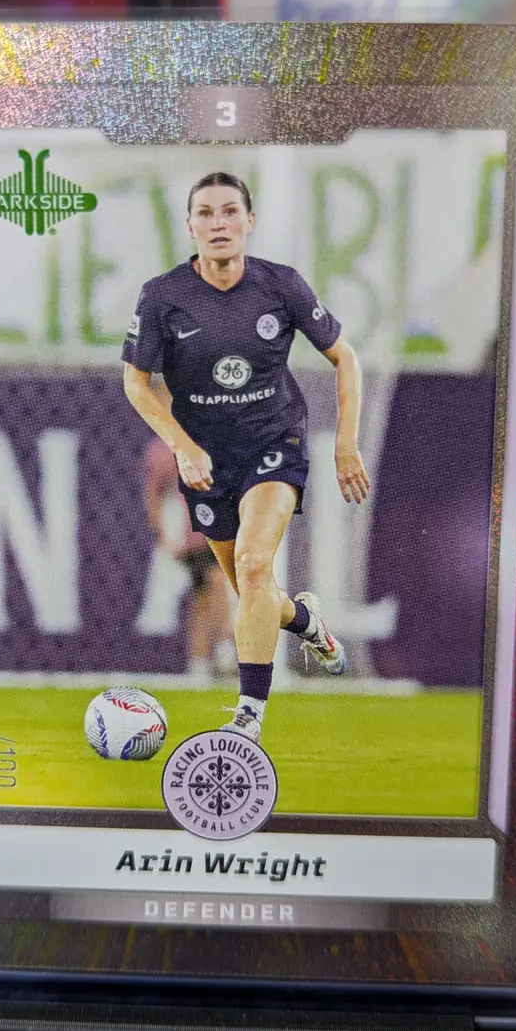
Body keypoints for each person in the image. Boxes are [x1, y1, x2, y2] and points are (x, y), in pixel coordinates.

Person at [122, 171, 370, 745]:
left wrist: (345, 442)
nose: (219, 223)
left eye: (230, 211)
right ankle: (303, 620)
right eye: (205, 213)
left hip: (274, 443)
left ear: (249, 221)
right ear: (190, 225)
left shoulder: (281, 286)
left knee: (255, 565)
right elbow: (136, 383)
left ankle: (248, 717)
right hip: (207, 462)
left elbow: (346, 358)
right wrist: (183, 446)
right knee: (251, 588)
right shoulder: (162, 296)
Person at [143, 432, 236, 686]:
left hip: (218, 528)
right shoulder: (164, 449)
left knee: (203, 599)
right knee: (214, 585)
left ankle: (199, 661)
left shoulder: (216, 440)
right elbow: (154, 495)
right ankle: (223, 649)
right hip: (195, 535)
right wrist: (164, 536)